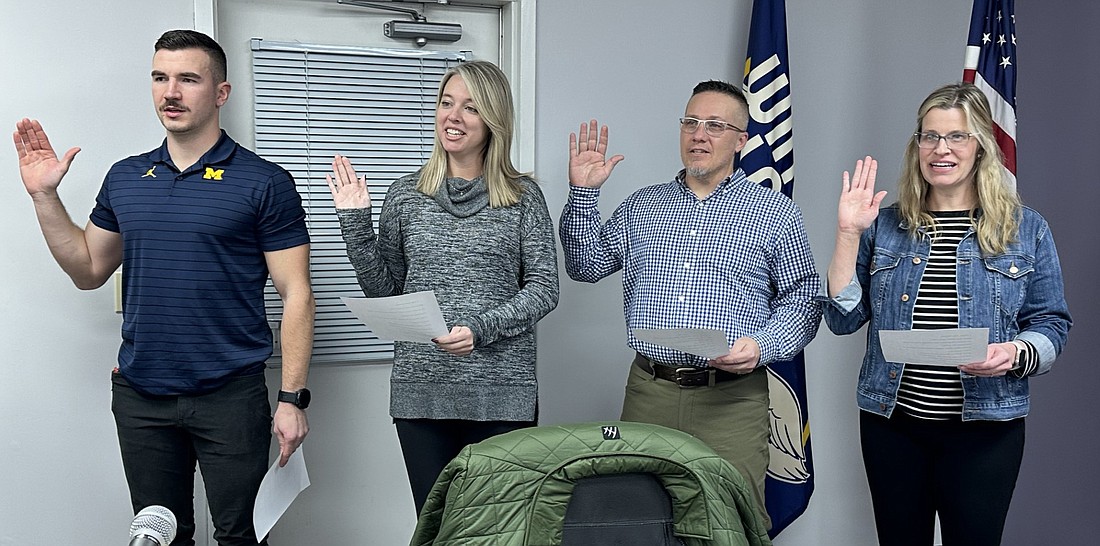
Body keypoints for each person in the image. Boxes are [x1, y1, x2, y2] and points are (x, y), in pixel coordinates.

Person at [13, 30, 314, 546]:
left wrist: (292, 399)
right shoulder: (127, 177)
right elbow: (87, 270)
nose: (170, 92)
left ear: (221, 92)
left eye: (188, 79)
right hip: (141, 397)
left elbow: (297, 294)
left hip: (231, 395)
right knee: (160, 535)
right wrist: (44, 197)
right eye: (160, 77)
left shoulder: (264, 181)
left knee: (240, 536)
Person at [558, 80, 821, 529]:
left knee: (730, 524)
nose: (699, 134)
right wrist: (583, 193)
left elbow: (804, 298)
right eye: (691, 122)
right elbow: (585, 265)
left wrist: (763, 345)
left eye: (715, 125)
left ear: (741, 140)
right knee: (640, 520)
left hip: (732, 401)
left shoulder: (774, 212)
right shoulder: (643, 206)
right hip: (650, 392)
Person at [823, 83, 1071, 546]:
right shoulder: (886, 224)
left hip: (985, 430)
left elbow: (1052, 322)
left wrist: (1016, 353)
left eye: (956, 136)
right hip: (892, 424)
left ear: (980, 146)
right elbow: (843, 318)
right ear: (916, 145)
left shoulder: (1026, 228)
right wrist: (846, 233)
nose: (941, 149)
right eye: (929, 136)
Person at [326, 60, 559, 515]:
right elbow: (386, 293)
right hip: (421, 393)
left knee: (494, 530)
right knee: (434, 525)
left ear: (494, 120)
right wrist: (355, 222)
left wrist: (480, 328)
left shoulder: (523, 197)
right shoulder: (405, 194)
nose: (453, 116)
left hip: (500, 395)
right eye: (446, 103)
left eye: (470, 108)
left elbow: (545, 288)